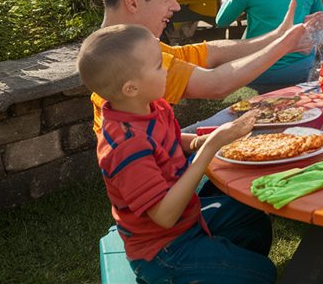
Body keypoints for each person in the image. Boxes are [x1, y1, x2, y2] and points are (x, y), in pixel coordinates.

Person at [79, 24, 275, 284]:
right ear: (131, 88)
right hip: (162, 251)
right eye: (160, 65)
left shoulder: (151, 106)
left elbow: (167, 141)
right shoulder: (125, 146)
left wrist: (198, 142)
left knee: (252, 216)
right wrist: (210, 147)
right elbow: (164, 216)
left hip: (187, 221)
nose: (167, 69)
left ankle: (223, 266)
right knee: (263, 274)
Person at [90, 0, 312, 134]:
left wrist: (276, 36)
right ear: (133, 2)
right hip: (160, 170)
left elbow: (209, 53)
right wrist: (283, 46)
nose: (176, 6)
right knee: (272, 128)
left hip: (163, 147)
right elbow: (216, 85)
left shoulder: (119, 44)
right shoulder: (132, 57)